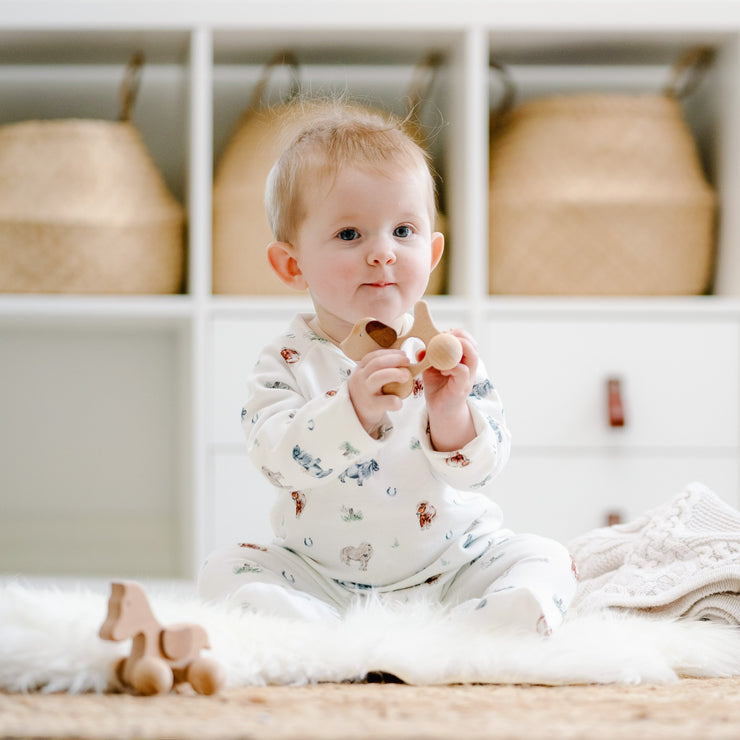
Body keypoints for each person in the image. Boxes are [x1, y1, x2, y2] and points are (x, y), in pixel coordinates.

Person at [198, 102, 578, 634]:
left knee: (547, 557)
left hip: (452, 566)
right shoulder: (284, 360)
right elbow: (276, 462)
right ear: (292, 264)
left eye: (404, 231)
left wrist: (451, 415)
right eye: (350, 235)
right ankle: (323, 633)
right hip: (323, 577)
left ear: (433, 250)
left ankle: (472, 628)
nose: (383, 253)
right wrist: (349, 411)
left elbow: (483, 467)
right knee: (224, 571)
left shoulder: (446, 354)